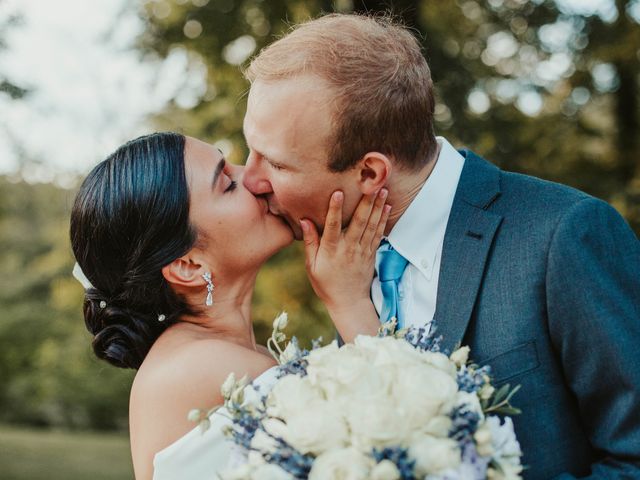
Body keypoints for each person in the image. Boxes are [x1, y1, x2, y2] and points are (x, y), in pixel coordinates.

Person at [241, 13, 640, 479]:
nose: (250, 179)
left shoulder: (564, 235)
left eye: (274, 163)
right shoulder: (343, 269)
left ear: (370, 174)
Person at [69, 132, 389, 480]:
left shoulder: (222, 355)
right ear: (189, 266)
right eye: (227, 184)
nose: (252, 178)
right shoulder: (200, 369)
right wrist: (348, 301)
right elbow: (387, 434)